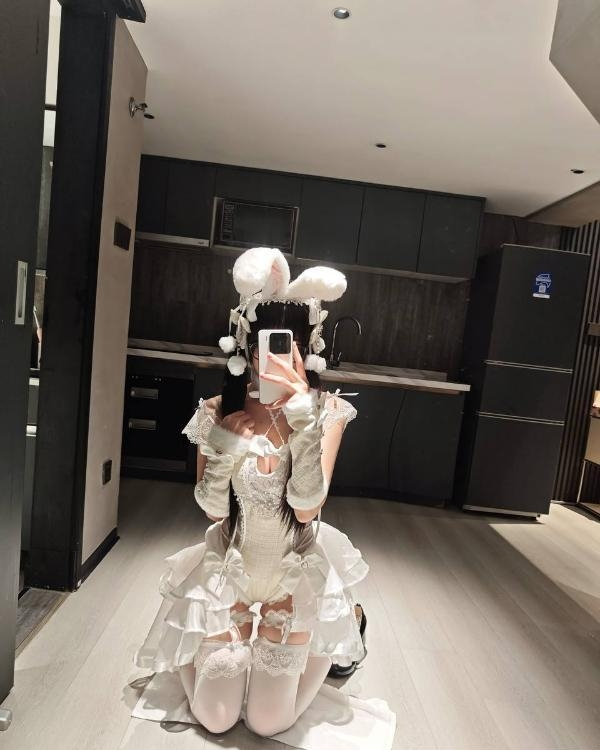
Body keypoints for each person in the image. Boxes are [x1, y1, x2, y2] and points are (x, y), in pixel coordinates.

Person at [133, 246, 369, 737]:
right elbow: (212, 511)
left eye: (287, 346)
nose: (272, 357)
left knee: (266, 722)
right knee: (217, 718)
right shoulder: (218, 410)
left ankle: (337, 636)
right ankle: (214, 654)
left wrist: (303, 419)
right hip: (230, 571)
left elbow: (306, 510)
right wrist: (223, 448)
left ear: (307, 349)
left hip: (294, 575)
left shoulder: (326, 412)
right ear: (244, 345)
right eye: (264, 344)